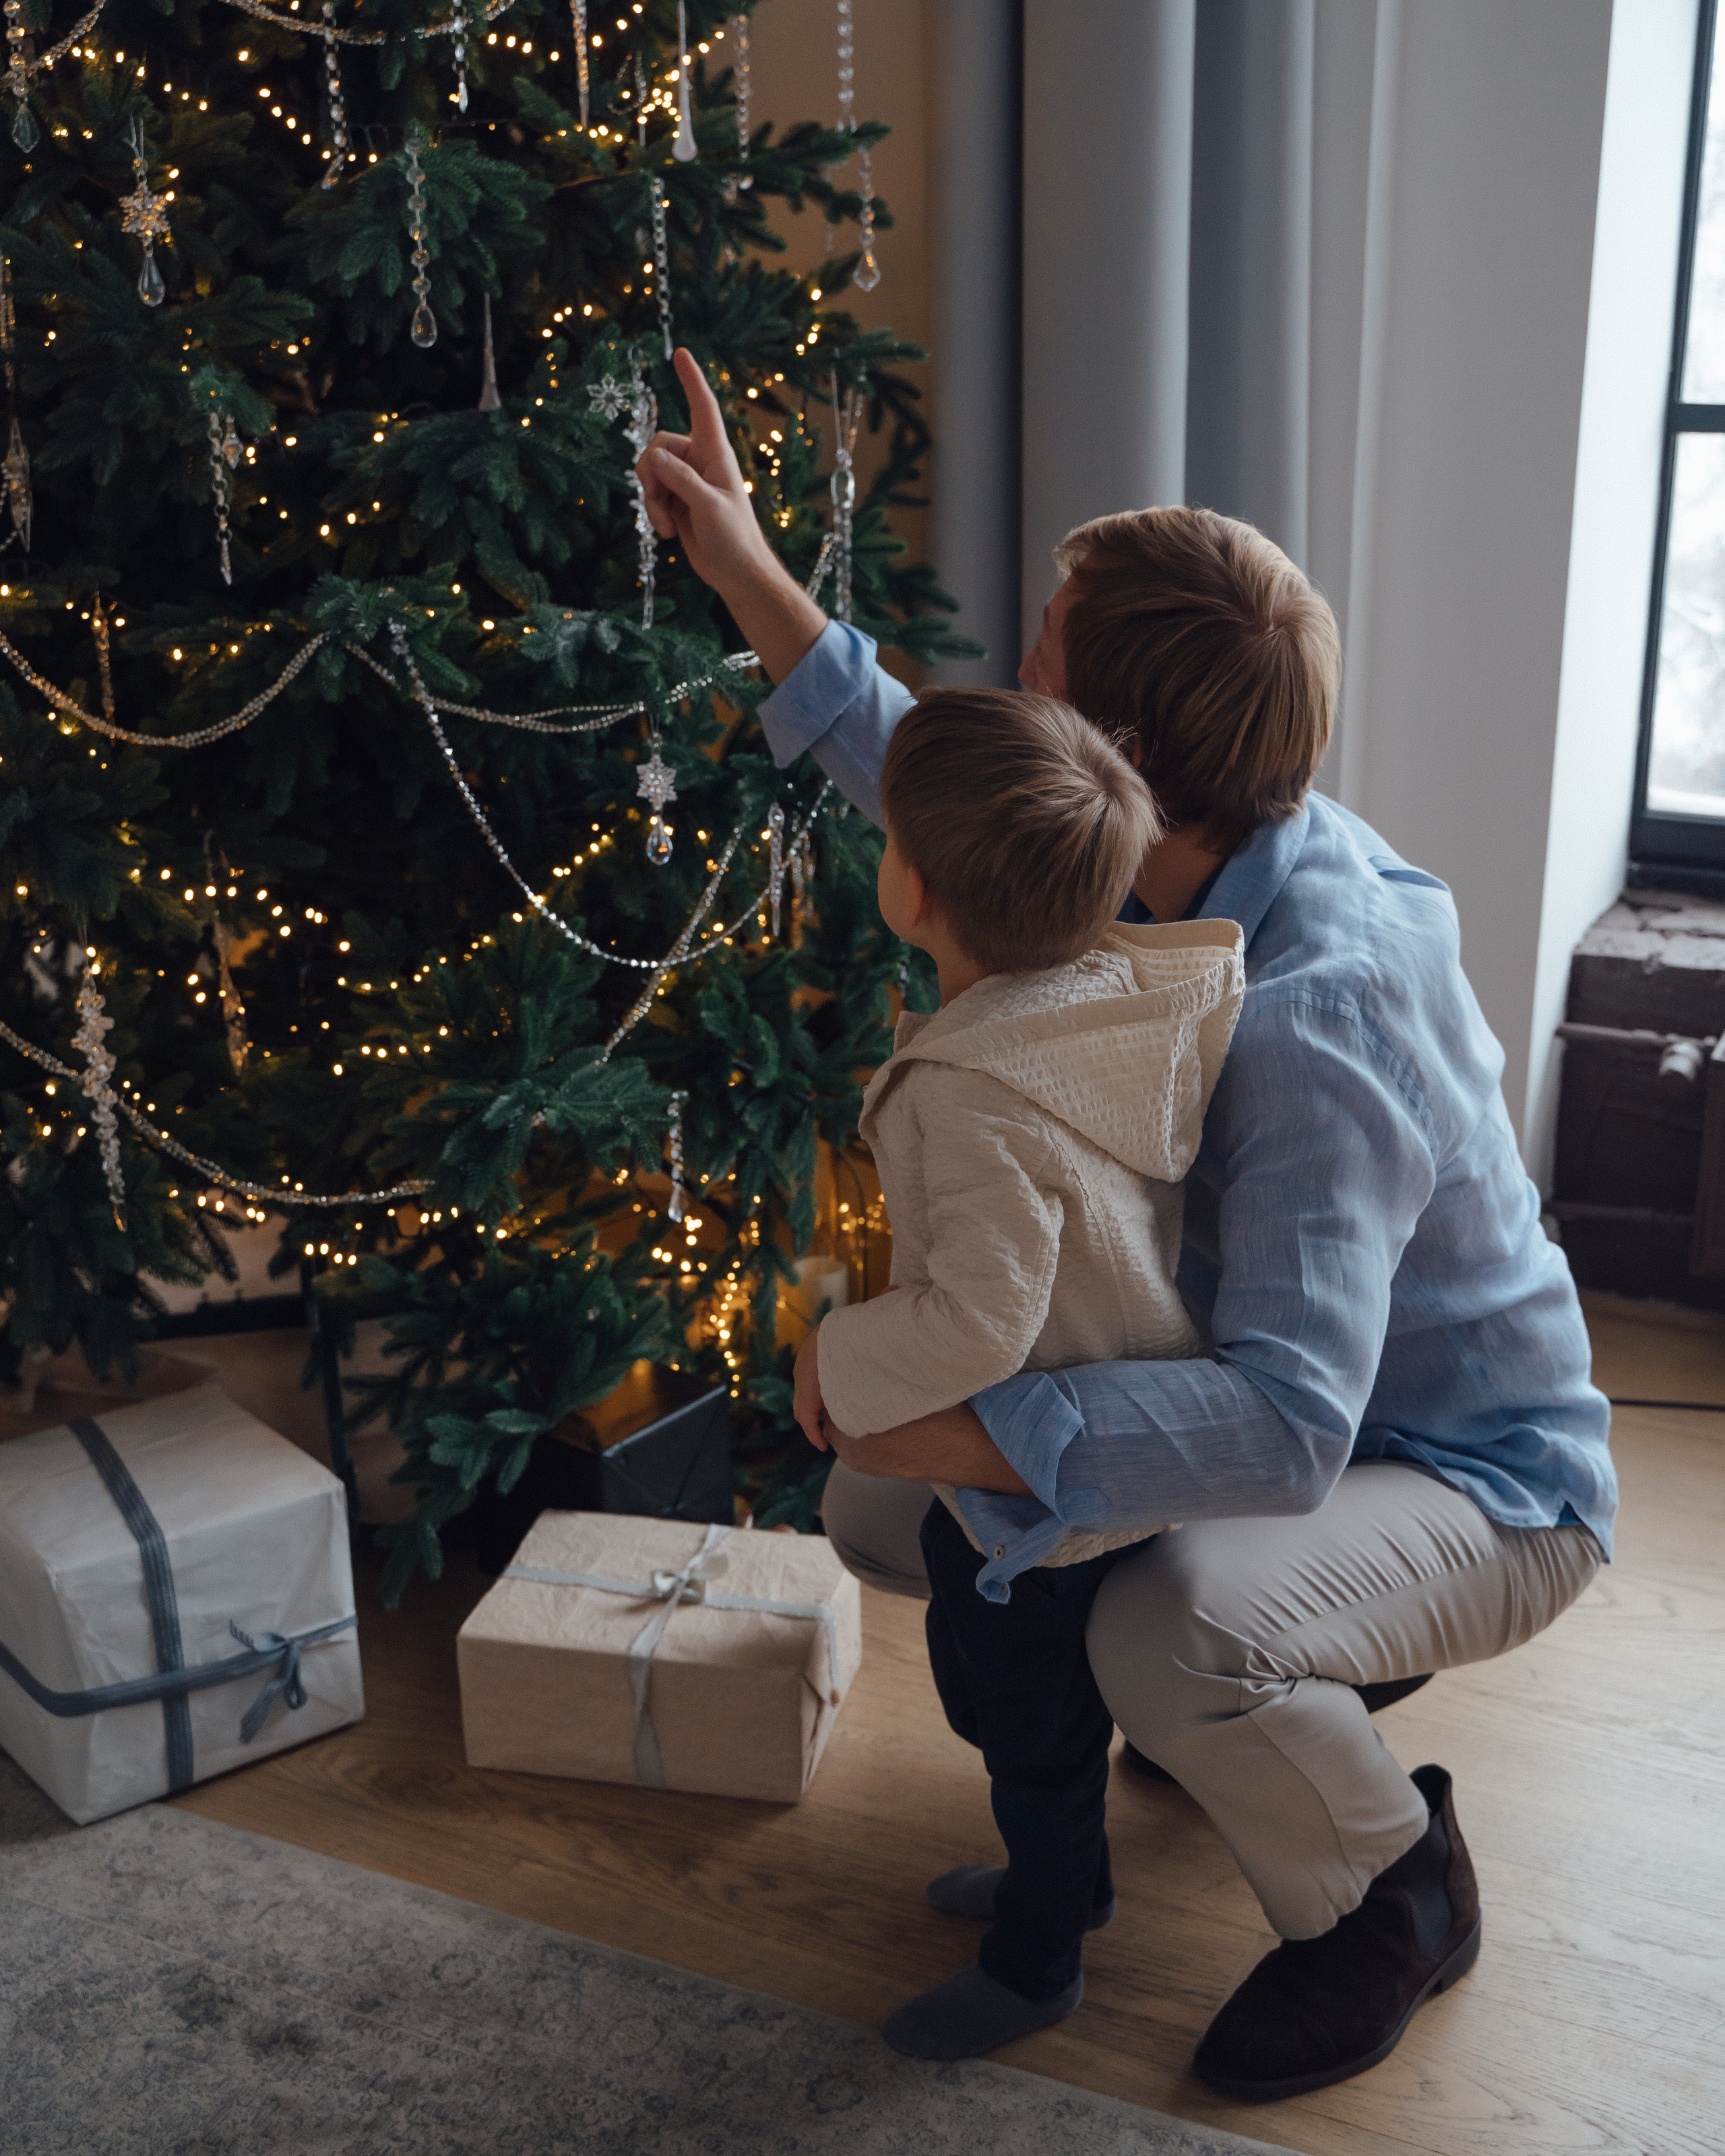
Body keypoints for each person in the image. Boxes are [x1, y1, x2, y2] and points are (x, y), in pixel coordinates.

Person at [639, 348, 1615, 2101]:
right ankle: (1220, 1718)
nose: (1011, 680)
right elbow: (952, 794)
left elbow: (1296, 1418)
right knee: (898, 1498)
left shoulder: (1321, 1011)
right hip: (1290, 1404)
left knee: (1151, 1630)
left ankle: (1395, 1884)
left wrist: (982, 1416)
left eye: (1040, 665)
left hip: (1472, 1474)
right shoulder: (1176, 842)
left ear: (1131, 762)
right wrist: (743, 566)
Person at [807, 685, 1243, 2060]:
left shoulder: (974, 1087)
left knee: (1029, 1729)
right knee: (999, 1691)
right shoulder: (1094, 1000)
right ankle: (1066, 1872)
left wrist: (836, 1356)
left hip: (1043, 1480)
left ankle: (1039, 1953)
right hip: (1101, 1427)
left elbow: (982, 1318)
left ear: (911, 887)